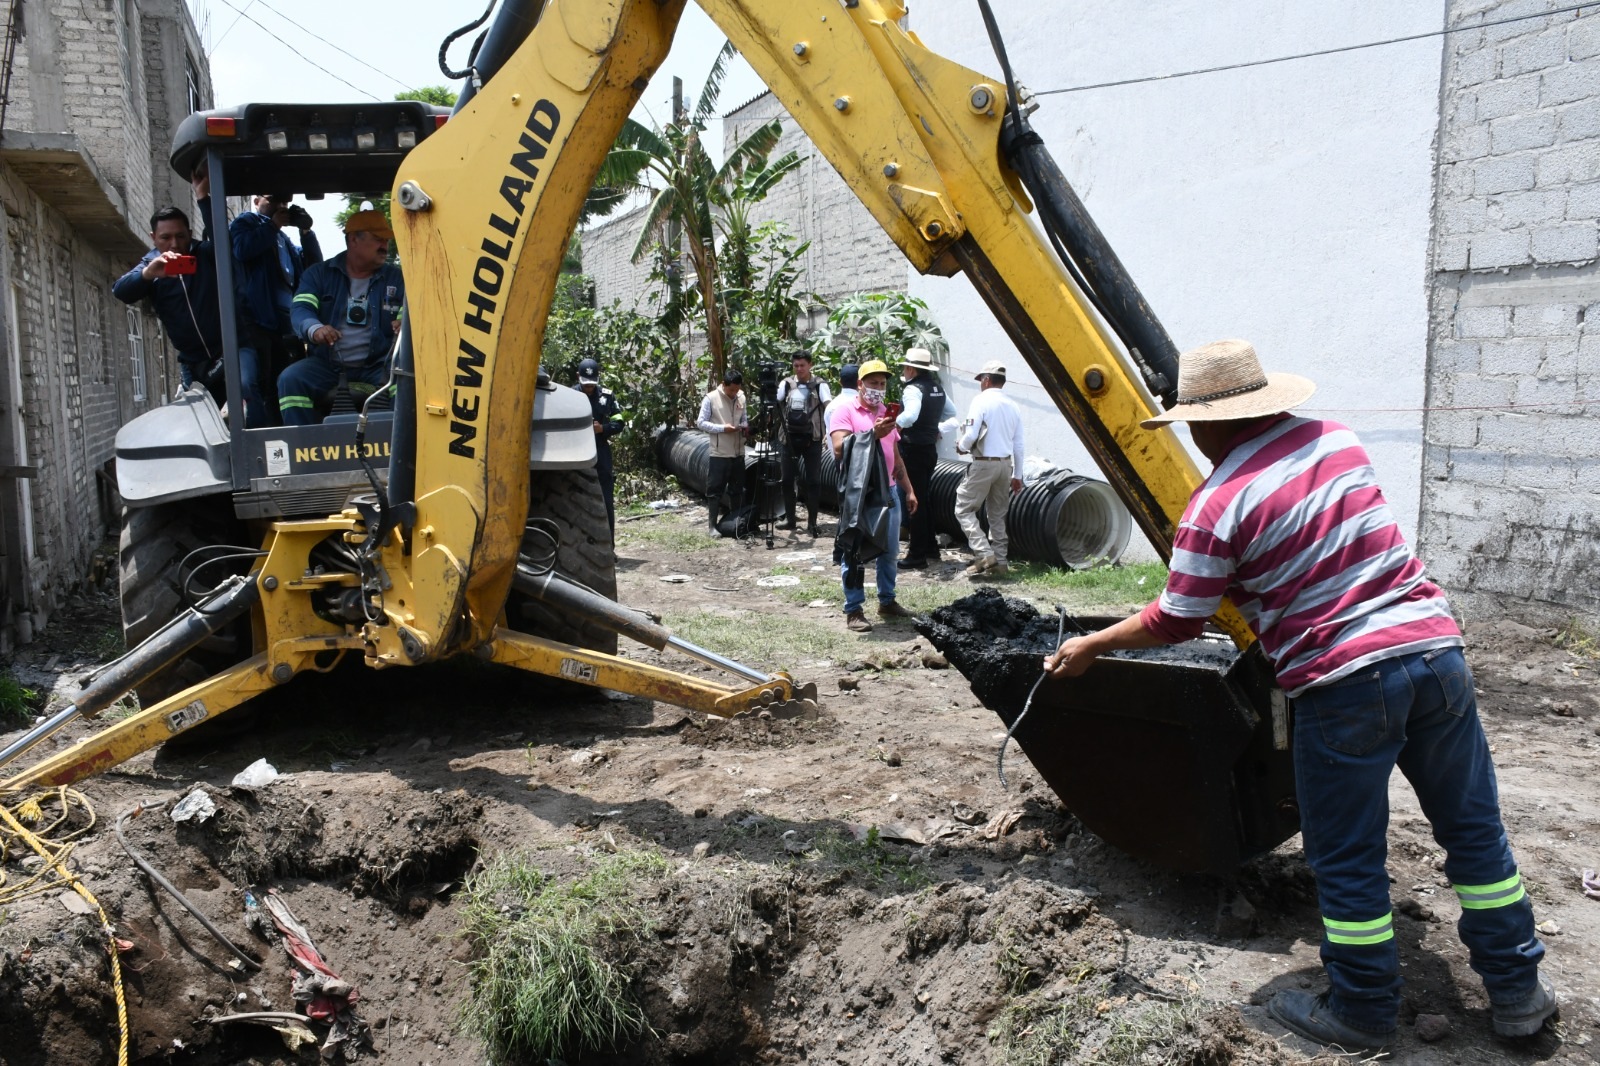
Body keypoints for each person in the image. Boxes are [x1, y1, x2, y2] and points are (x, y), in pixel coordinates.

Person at [1042, 339, 1554, 1055]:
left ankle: (1362, 1011)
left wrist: (1095, 644)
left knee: (1347, 861)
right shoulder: (1336, 442)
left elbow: (1179, 618)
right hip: (1437, 655)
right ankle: (1519, 994)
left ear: (1202, 422)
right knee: (1474, 833)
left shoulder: (1215, 505)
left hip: (1348, 684)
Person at [280, 211, 403, 426]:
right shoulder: (318, 275)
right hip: (328, 365)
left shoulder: (398, 278)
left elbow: (415, 310)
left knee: (406, 381)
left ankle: (396, 451)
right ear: (354, 239)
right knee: (291, 380)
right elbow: (301, 309)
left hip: (380, 365)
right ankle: (305, 450)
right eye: (378, 239)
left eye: (387, 240)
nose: (385, 245)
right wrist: (315, 329)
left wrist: (406, 325)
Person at [112, 175, 226, 406]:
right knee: (198, 421)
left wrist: (203, 198)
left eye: (180, 236)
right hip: (192, 364)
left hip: (226, 353)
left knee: (248, 399)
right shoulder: (150, 264)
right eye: (165, 238)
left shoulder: (205, 254)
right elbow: (120, 291)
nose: (174, 244)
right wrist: (150, 274)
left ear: (190, 233)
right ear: (154, 238)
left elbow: (224, 240)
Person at [827, 359, 917, 632]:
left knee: (889, 551)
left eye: (882, 383)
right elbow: (840, 448)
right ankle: (853, 609)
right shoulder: (844, 411)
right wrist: (872, 434)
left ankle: (887, 600)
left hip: (888, 491)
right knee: (853, 551)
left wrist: (909, 490)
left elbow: (896, 458)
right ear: (860, 385)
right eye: (873, 383)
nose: (878, 388)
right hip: (860, 493)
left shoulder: (885, 414)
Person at [232, 192, 322, 424]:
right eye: (274, 201)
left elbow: (313, 267)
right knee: (260, 382)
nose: (280, 207)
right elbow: (242, 249)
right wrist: (272, 225)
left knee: (285, 382)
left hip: (285, 324)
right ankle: (265, 435)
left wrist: (306, 232)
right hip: (257, 321)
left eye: (285, 203)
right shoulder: (246, 223)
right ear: (257, 201)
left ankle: (291, 432)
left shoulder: (284, 239)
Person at [953, 360, 1025, 578]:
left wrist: (961, 446)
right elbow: (1019, 443)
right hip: (1005, 464)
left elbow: (971, 434)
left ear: (985, 380)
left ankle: (985, 553)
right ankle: (1000, 563)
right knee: (997, 514)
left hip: (984, 463)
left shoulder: (981, 401)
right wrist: (1017, 474)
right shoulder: (1013, 405)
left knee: (964, 508)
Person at [895, 347, 957, 569]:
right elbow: (951, 413)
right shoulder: (937, 388)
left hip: (912, 450)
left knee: (913, 501)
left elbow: (910, 415)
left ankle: (917, 555)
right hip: (929, 449)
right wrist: (934, 428)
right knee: (924, 498)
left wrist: (894, 425)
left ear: (911, 368)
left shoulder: (913, 389)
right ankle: (930, 547)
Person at [775, 352, 832, 537]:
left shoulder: (820, 385)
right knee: (786, 480)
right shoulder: (786, 384)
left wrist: (830, 433)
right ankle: (790, 519)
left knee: (813, 481)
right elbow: (775, 402)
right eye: (796, 365)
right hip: (788, 439)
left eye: (802, 365)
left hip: (813, 439)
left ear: (810, 365)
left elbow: (829, 407)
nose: (799, 369)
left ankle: (812, 522)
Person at [696, 370, 749, 537]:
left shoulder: (741, 397)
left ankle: (734, 524)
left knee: (737, 490)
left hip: (738, 450)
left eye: (736, 390)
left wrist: (745, 427)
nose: (734, 393)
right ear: (723, 384)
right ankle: (712, 526)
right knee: (715, 491)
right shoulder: (711, 398)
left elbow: (744, 418)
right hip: (719, 452)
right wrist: (722, 429)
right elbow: (701, 423)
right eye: (731, 390)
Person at [577, 358, 624, 531]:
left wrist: (602, 429)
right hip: (576, 454)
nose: (589, 388)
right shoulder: (571, 396)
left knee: (606, 500)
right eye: (585, 384)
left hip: (600, 451)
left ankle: (609, 547)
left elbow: (619, 423)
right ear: (578, 377)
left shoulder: (606, 396)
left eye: (592, 384)